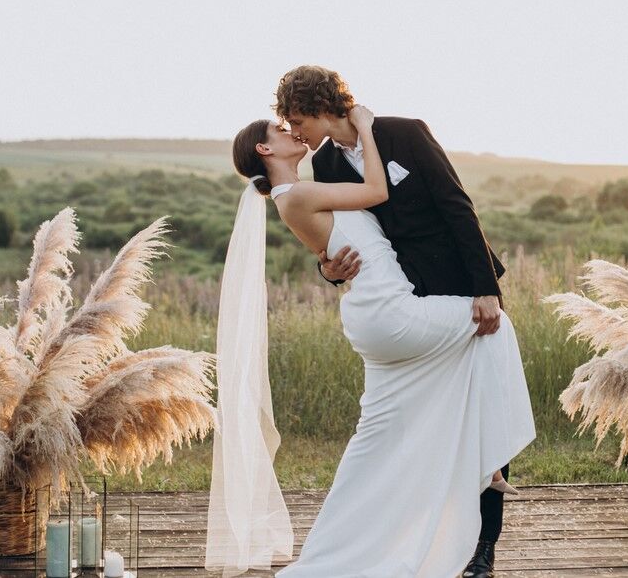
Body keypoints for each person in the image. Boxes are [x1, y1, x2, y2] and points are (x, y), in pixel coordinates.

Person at [222, 99, 535, 577]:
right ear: (266, 147)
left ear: (320, 107)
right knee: (495, 329)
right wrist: (366, 132)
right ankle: (487, 458)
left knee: (373, 438)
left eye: (296, 121)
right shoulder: (308, 182)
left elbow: (452, 206)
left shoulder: (395, 140)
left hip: (384, 312)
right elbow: (374, 192)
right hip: (394, 312)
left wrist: (328, 262)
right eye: (285, 128)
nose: (297, 133)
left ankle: (331, 553)